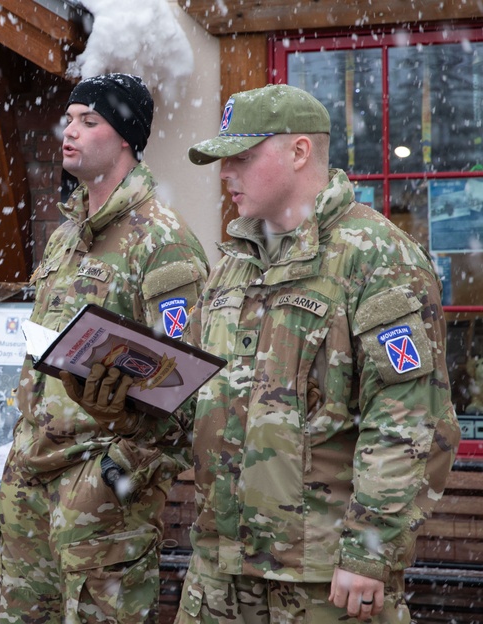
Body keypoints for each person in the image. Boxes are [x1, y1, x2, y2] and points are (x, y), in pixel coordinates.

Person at [177, 84, 461, 623]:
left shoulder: (376, 258)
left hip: (322, 581)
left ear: (299, 151)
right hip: (220, 573)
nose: (225, 173)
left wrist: (367, 550)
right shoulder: (233, 266)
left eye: (241, 157)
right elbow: (196, 396)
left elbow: (409, 420)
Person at [0, 73, 210, 623]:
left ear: (125, 139)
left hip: (99, 493)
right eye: (69, 119)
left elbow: (186, 390)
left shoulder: (163, 241)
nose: (70, 131)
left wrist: (114, 473)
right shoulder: (67, 235)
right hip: (32, 480)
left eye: (89, 121)